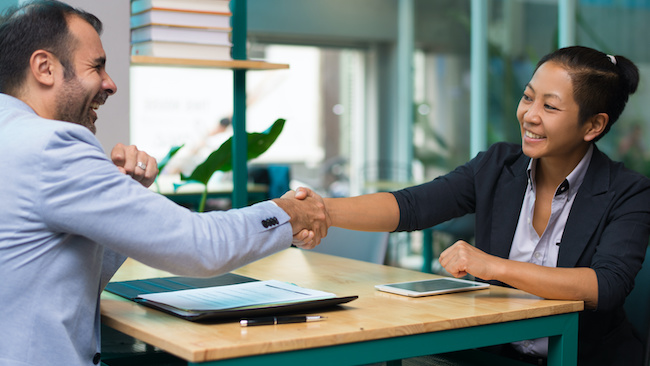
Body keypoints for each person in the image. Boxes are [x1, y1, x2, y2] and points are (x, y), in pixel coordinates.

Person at [0, 1, 329, 365]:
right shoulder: (51, 145)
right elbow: (198, 246)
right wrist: (288, 212)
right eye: (97, 66)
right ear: (44, 68)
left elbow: (53, 273)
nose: (110, 83)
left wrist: (121, 197)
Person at [312, 46, 650, 365]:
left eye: (550, 107)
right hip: (493, 356)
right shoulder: (497, 166)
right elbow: (414, 205)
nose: (529, 115)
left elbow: (604, 287)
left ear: (594, 125)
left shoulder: (628, 191)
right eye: (528, 97)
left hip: (583, 358)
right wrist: (322, 211)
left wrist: (493, 267)